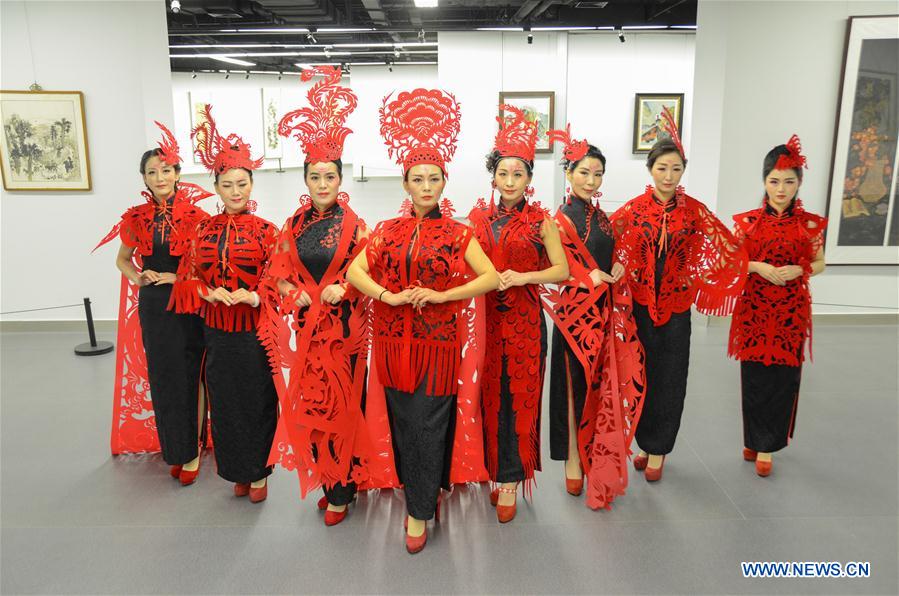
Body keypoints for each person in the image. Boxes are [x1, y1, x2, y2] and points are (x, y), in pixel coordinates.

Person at [347, 88, 499, 554]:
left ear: (443, 183)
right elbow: (356, 271)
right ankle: (424, 486)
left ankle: (418, 511)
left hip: (437, 346)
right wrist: (387, 296)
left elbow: (490, 277)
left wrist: (442, 294)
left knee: (430, 422)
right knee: (402, 421)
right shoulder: (387, 231)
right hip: (394, 347)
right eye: (419, 179)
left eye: (434, 178)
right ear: (406, 184)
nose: (427, 186)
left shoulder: (458, 232)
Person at [258, 66, 372, 525]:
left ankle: (344, 486)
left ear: (341, 179)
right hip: (308, 329)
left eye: (330, 176)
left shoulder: (356, 226)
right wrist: (293, 292)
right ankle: (331, 477)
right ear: (305, 179)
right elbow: (276, 275)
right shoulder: (292, 225)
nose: (322, 184)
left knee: (344, 405)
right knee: (314, 406)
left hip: (344, 330)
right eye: (314, 177)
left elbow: (368, 272)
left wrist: (345, 286)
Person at [611, 108, 747, 482]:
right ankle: (644, 442)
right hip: (639, 306)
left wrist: (698, 279)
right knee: (640, 375)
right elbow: (607, 238)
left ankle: (659, 450)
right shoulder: (634, 211)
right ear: (650, 170)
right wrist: (620, 268)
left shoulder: (694, 212)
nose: (669, 176)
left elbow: (727, 247)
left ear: (683, 171)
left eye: (676, 169)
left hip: (676, 309)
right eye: (662, 168)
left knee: (671, 377)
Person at [170, 105, 279, 502]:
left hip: (254, 333)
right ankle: (236, 469)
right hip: (216, 330)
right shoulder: (201, 230)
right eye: (228, 184)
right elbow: (186, 277)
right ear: (216, 187)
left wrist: (253, 295)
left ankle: (259, 472)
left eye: (242, 183)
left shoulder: (269, 231)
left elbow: (278, 278)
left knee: (258, 399)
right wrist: (207, 291)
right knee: (226, 401)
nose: (236, 191)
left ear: (252, 185)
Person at [468, 106, 568, 522]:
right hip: (487, 321)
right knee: (488, 397)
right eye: (503, 174)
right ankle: (492, 471)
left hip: (526, 323)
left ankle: (510, 479)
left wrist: (524, 275)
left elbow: (562, 271)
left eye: (519, 174)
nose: (510, 182)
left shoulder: (541, 222)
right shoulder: (477, 220)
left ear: (529, 178)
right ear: (493, 176)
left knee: (518, 396)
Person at [94, 122, 210, 483]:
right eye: (152, 172)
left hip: (188, 302)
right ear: (144, 179)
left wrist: (177, 277)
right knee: (163, 376)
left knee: (192, 373)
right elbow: (122, 259)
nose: (160, 177)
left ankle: (193, 450)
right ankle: (175, 447)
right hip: (154, 305)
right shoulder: (136, 218)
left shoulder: (198, 218)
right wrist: (138, 277)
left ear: (177, 173)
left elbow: (210, 271)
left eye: (166, 170)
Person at [543, 124, 646, 509]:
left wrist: (617, 265)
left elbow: (613, 252)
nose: (591, 180)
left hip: (603, 314)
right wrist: (588, 276)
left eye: (597, 173)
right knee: (573, 391)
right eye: (583, 172)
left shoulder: (602, 218)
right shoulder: (558, 220)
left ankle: (596, 455)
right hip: (573, 317)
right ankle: (573, 460)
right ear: (568, 174)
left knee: (601, 387)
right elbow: (554, 266)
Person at [728, 135, 826, 477]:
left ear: (799, 182)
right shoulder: (747, 222)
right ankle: (753, 439)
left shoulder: (810, 224)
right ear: (764, 182)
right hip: (754, 307)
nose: (781, 189)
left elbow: (820, 262)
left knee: (783, 378)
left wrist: (801, 268)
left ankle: (768, 445)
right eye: (774, 181)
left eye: (789, 181)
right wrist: (758, 266)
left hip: (789, 311)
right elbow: (734, 260)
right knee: (753, 376)